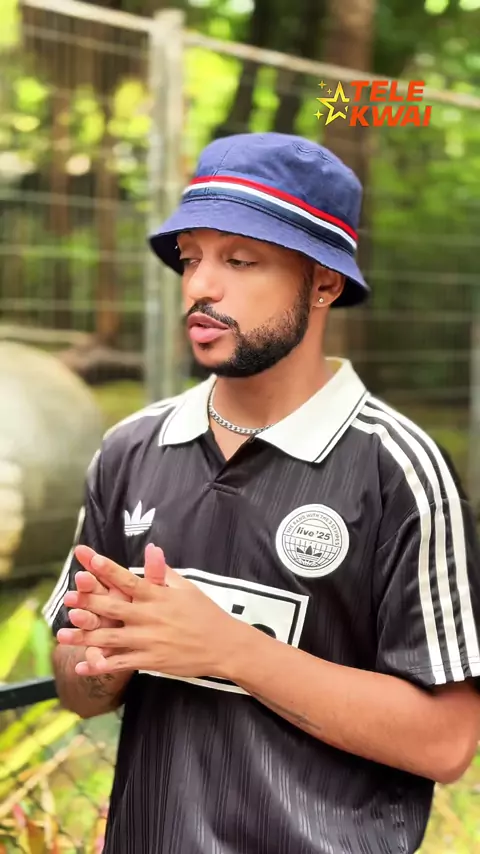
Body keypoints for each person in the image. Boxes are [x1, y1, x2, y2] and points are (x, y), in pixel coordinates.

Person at [43, 132, 480, 854]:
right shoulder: (130, 448)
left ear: (324, 284)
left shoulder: (399, 470)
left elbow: (447, 741)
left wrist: (229, 649)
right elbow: (74, 687)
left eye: (240, 260)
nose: (199, 287)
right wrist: (100, 661)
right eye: (191, 258)